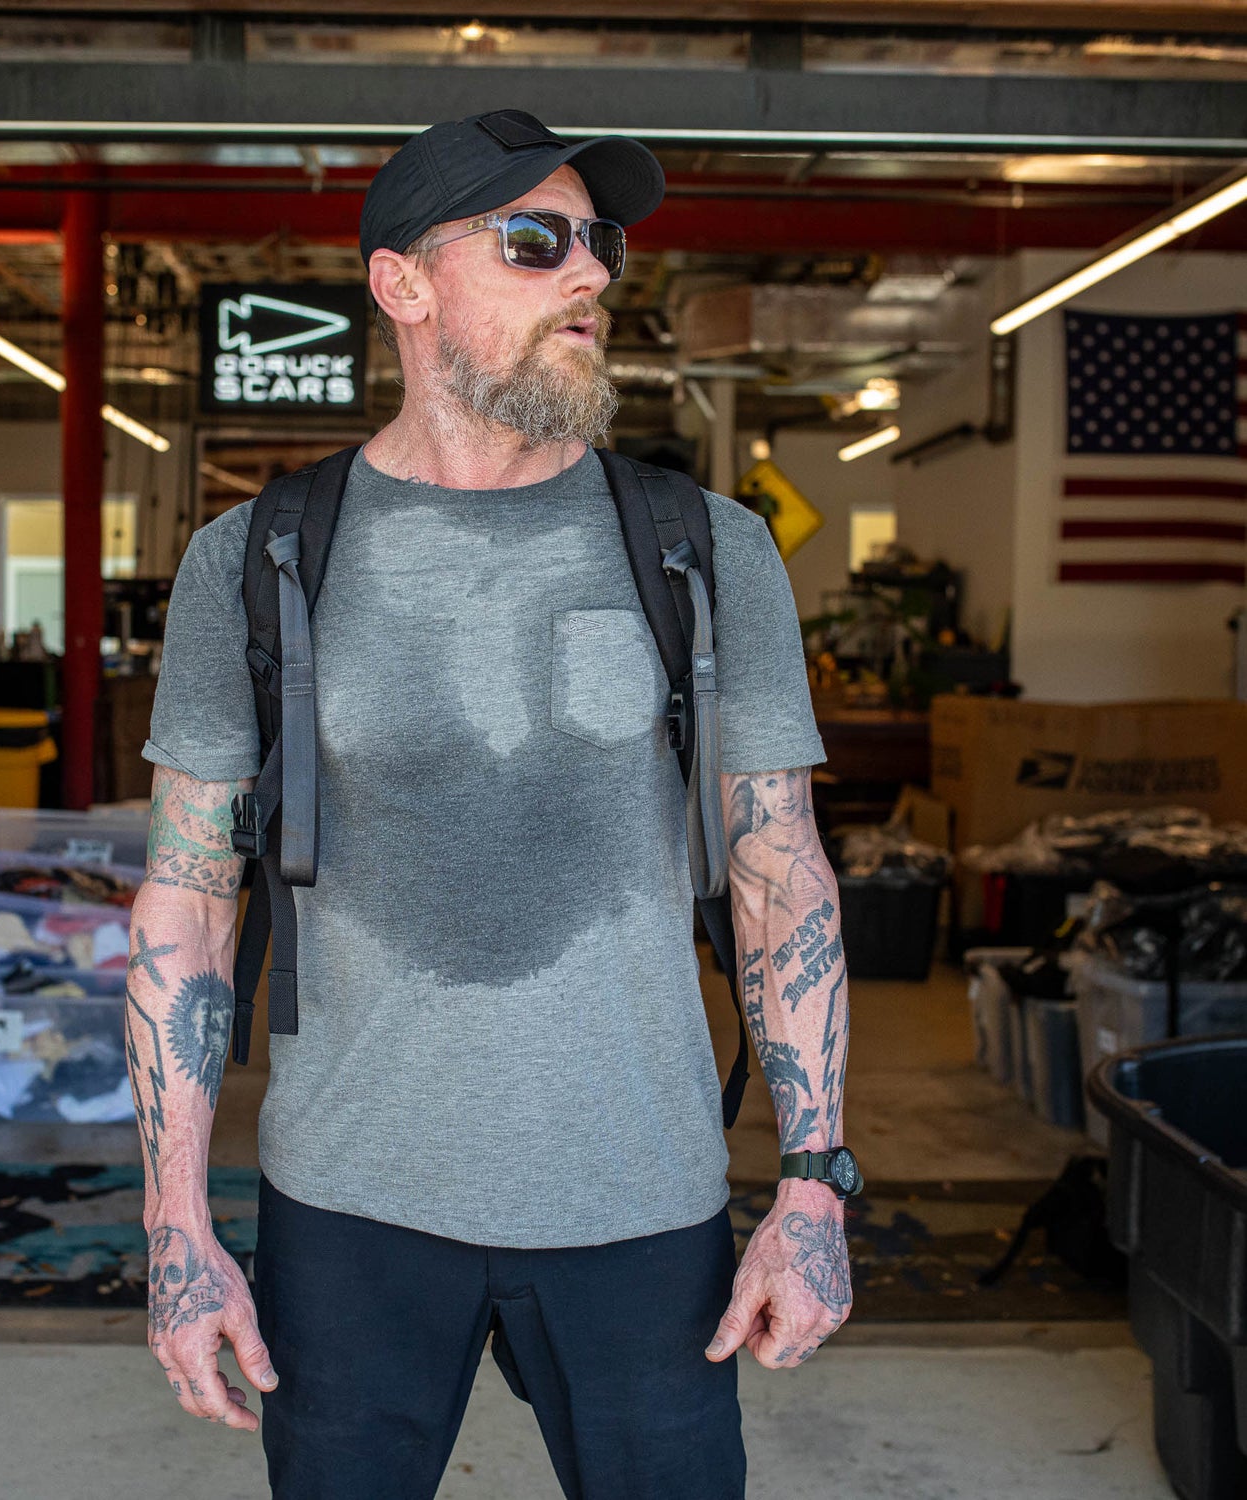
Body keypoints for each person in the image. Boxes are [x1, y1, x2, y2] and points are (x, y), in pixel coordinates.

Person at [128, 107, 853, 1500]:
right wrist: (175, 1228)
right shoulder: (259, 558)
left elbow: (783, 876)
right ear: (404, 284)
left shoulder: (708, 551)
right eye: (536, 242)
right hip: (348, 1206)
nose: (590, 278)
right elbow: (186, 899)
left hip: (643, 1200)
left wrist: (815, 1181)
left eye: (603, 246)